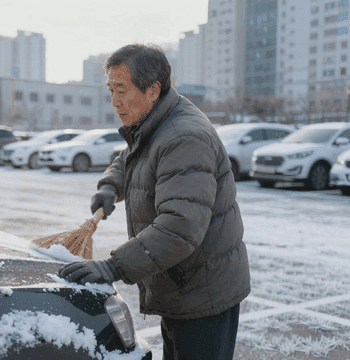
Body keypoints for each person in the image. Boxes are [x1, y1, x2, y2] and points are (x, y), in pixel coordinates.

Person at [58, 43, 250, 360]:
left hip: (205, 293)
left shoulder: (184, 137)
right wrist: (111, 186)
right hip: (181, 284)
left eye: (122, 90)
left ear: (152, 90)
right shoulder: (155, 120)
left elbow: (180, 226)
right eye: (111, 90)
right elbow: (129, 158)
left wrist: (112, 266)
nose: (115, 101)